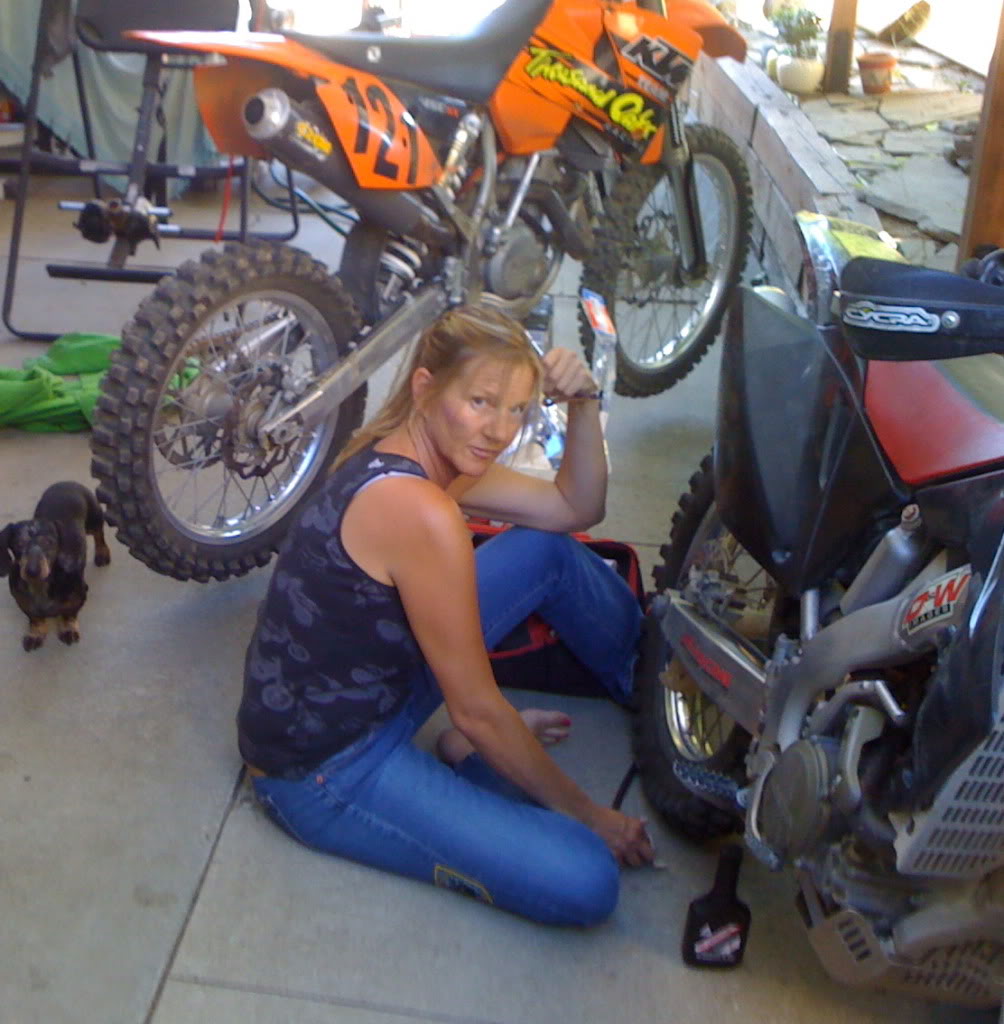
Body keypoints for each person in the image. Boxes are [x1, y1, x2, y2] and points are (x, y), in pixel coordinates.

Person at [239, 303, 654, 926]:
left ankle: (646, 678)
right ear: (425, 387)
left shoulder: (417, 456)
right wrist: (593, 817)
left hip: (377, 684)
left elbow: (576, 507)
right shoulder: (418, 509)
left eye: (517, 409)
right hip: (321, 772)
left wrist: (584, 404)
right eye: (481, 402)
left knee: (546, 549)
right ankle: (470, 763)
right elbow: (479, 709)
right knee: (587, 878)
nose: (499, 430)